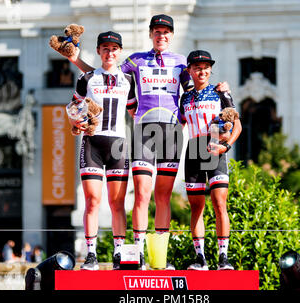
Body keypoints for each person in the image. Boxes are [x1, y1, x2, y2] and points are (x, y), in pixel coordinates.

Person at [64, 14, 230, 270]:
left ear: (171, 36)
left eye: (166, 32)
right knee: (142, 193)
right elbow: (106, 74)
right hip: (145, 131)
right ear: (151, 34)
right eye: (157, 31)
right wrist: (76, 60)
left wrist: (221, 92)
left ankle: (159, 260)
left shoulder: (181, 64)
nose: (161, 36)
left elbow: (196, 89)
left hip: (173, 133)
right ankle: (138, 255)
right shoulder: (135, 60)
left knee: (163, 197)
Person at [69, 31, 137, 270]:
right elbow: (73, 108)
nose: (110, 53)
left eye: (114, 48)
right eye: (105, 48)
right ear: (98, 51)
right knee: (92, 200)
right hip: (92, 144)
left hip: (118, 144)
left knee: (118, 202)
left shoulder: (128, 80)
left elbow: (135, 111)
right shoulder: (87, 78)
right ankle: (91, 255)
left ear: (119, 52)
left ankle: (119, 254)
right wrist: (75, 122)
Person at [179, 50, 242, 270]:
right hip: (194, 149)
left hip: (216, 148)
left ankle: (223, 258)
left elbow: (238, 125)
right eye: (197, 67)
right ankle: (200, 259)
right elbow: (179, 123)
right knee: (196, 207)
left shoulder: (221, 93)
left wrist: (226, 145)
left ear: (210, 70)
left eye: (206, 67)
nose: (202, 71)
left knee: (219, 203)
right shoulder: (185, 97)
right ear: (190, 71)